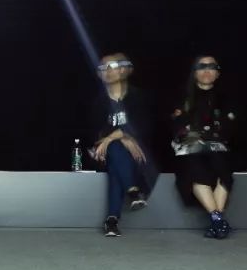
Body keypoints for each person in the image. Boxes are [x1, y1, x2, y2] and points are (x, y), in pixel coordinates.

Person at [90, 52, 158, 238]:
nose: (107, 71)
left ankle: (112, 220)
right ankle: (133, 191)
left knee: (116, 160)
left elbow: (144, 127)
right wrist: (121, 137)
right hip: (104, 153)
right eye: (102, 68)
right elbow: (97, 136)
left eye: (111, 66)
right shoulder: (99, 102)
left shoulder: (138, 97)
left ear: (123, 70)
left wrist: (116, 136)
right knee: (115, 149)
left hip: (136, 155)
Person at [171, 55, 236, 238]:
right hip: (189, 148)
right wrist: (193, 136)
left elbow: (230, 126)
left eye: (211, 67)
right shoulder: (183, 97)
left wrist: (212, 136)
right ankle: (219, 221)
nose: (207, 71)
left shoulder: (225, 98)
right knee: (196, 168)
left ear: (218, 73)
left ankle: (217, 221)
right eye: (202, 66)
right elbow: (177, 125)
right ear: (194, 72)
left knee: (223, 169)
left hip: (217, 147)